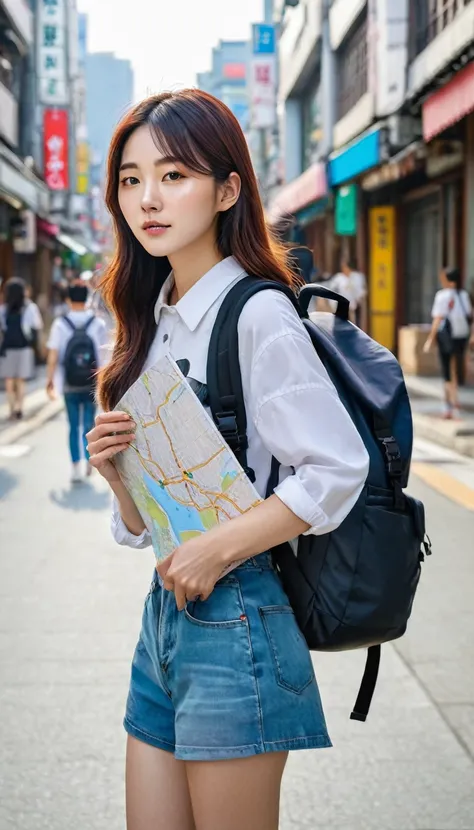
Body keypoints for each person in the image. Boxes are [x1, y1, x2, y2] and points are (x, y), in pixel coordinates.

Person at [85, 89, 369, 830]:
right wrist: (120, 481)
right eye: (131, 179)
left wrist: (216, 549)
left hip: (238, 617)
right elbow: (147, 525)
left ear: (228, 189)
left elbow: (337, 468)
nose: (148, 198)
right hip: (165, 622)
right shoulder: (153, 323)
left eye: (174, 175)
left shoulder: (258, 314)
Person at [46, 281, 108, 483]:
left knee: (73, 425)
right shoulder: (97, 323)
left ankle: (74, 467)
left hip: (69, 382)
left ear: (68, 299)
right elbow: (103, 357)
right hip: (91, 382)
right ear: (87, 298)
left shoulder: (60, 323)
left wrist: (50, 380)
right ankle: (90, 462)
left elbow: (53, 354)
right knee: (89, 425)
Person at [424, 267, 473, 419]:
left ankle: (450, 403)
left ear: (448, 280)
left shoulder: (442, 296)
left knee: (446, 369)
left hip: (447, 336)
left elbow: (438, 318)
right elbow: (470, 316)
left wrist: (430, 339)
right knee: (455, 367)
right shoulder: (464, 295)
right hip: (461, 335)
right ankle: (451, 400)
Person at [0, 277, 43, 419]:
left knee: (9, 380)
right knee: (21, 380)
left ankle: (12, 408)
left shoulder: (3, 309)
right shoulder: (30, 307)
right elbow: (37, 326)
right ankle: (19, 407)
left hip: (7, 349)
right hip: (25, 348)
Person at [331, 258, 367, 329]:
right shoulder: (338, 278)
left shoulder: (357, 277)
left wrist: (359, 299)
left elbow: (361, 291)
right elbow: (332, 290)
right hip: (341, 306)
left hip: (353, 306)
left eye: (345, 267)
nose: (344, 269)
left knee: (353, 325)